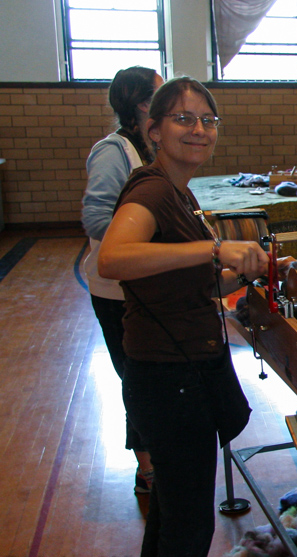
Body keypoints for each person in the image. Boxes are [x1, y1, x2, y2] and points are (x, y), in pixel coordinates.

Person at [99, 77, 269, 557]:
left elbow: (181, 278)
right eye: (183, 119)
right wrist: (214, 249)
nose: (199, 130)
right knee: (190, 527)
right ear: (153, 130)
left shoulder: (179, 193)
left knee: (174, 516)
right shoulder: (151, 189)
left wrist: (231, 275)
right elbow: (113, 258)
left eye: (208, 120)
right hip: (170, 380)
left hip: (178, 371)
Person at [81, 66, 163, 495]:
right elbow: (94, 217)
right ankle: (147, 469)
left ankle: (156, 457)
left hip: (142, 286)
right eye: (160, 92)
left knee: (147, 376)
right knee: (135, 376)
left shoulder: (149, 149)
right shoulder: (114, 152)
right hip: (116, 293)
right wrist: (149, 230)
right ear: (142, 105)